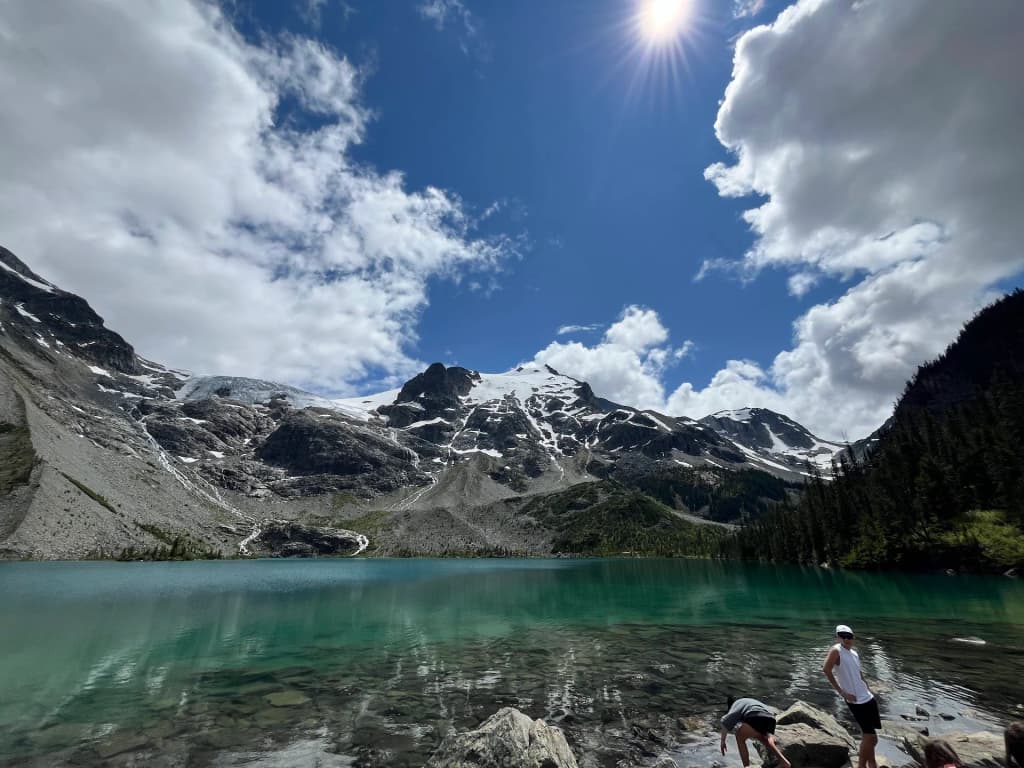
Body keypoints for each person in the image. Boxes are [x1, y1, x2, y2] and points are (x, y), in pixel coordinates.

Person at [822, 624, 881, 768]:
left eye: (849, 636)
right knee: (869, 735)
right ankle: (863, 765)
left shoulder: (854, 653)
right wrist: (842, 692)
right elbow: (826, 669)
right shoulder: (836, 651)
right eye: (843, 636)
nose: (846, 639)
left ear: (853, 637)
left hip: (867, 696)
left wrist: (867, 686)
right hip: (856, 701)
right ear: (838, 637)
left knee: (872, 738)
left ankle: (871, 763)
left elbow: (858, 673)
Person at [719, 695, 792, 768]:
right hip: (771, 718)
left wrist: (722, 741)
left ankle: (747, 766)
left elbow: (725, 720)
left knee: (739, 736)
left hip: (755, 716)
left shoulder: (735, 705)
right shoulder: (747, 702)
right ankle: (784, 761)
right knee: (761, 737)